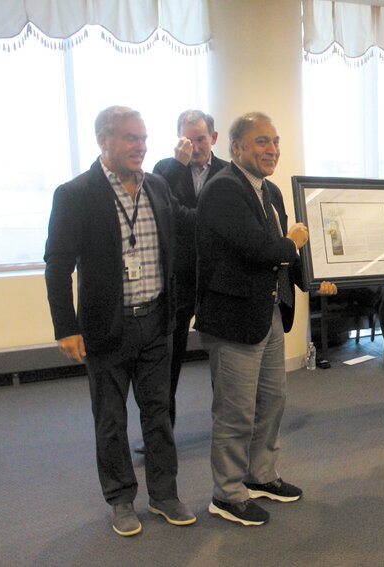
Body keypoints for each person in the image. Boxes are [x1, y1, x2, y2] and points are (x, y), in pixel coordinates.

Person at [44, 106, 196, 536]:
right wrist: (66, 327)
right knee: (111, 420)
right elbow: (57, 266)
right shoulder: (75, 194)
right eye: (130, 138)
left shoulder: (159, 187)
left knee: (158, 414)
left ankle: (164, 495)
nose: (140, 146)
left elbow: (185, 230)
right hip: (106, 327)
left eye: (143, 138)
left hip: (156, 322)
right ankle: (121, 500)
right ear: (103, 141)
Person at [195, 111, 335, 526]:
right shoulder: (223, 190)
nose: (272, 149)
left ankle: (261, 475)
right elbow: (262, 249)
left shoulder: (270, 191)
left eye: (275, 141)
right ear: (236, 148)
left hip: (270, 312)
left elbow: (281, 258)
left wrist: (312, 279)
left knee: (272, 402)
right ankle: (228, 493)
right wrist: (292, 242)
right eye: (261, 141)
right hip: (234, 318)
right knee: (236, 411)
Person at [132, 110, 227, 453]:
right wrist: (177, 162)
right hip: (178, 279)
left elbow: (219, 220)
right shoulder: (165, 169)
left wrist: (199, 221)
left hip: (217, 278)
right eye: (188, 139)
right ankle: (159, 431)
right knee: (167, 359)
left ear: (213, 138)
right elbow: (165, 210)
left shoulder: (227, 172)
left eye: (201, 139)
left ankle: (229, 425)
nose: (195, 146)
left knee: (224, 356)